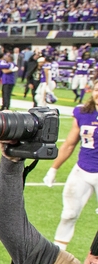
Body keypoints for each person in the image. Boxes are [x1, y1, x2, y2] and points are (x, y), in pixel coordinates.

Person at [43, 81, 98, 251]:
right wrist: (54, 168)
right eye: (97, 89)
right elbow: (69, 144)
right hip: (82, 169)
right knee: (68, 214)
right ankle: (58, 253)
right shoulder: (83, 112)